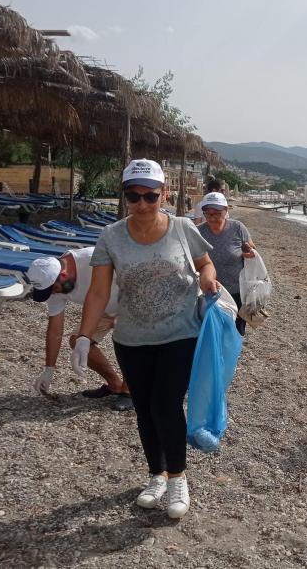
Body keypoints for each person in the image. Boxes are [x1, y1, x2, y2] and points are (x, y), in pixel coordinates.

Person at [74, 159, 218, 520]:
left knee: (166, 405)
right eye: (133, 196)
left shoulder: (183, 228)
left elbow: (205, 264)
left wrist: (207, 279)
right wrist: (83, 336)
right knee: (144, 409)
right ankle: (156, 474)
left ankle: (177, 479)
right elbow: (97, 292)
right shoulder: (111, 236)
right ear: (124, 196)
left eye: (150, 196)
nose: (142, 203)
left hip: (180, 332)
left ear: (164, 194)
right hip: (132, 338)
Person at [27, 251, 132, 411]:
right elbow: (55, 330)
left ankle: (129, 391)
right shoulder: (53, 285)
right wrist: (49, 369)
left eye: (54, 289)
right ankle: (115, 385)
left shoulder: (94, 258)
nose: (54, 293)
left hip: (132, 302)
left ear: (63, 274)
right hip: (101, 308)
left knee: (126, 338)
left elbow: (137, 278)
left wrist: (128, 313)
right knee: (77, 340)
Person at [196, 191, 256, 336]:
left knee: (236, 332)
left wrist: (250, 253)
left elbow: (252, 249)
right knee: (213, 332)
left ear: (226, 210)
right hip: (211, 292)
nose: (211, 217)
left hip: (237, 291)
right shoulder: (198, 232)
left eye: (216, 213)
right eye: (207, 213)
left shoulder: (237, 228)